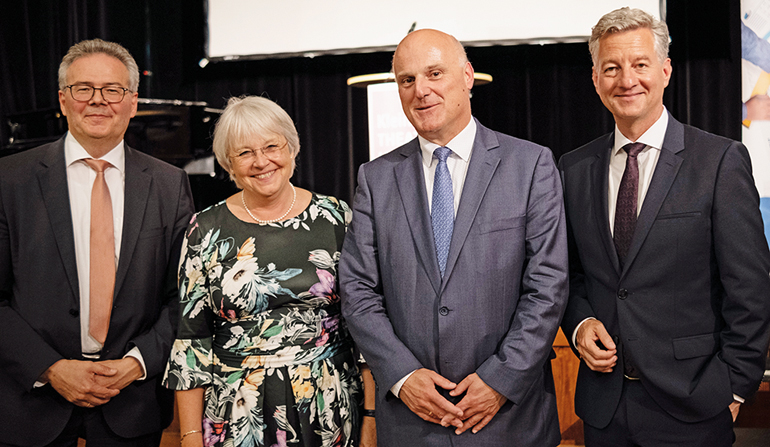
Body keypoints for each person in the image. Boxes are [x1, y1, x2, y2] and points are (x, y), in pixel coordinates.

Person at [339, 29, 568, 447]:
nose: (420, 90)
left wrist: (500, 379)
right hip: (413, 421)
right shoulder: (375, 178)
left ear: (466, 76)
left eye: (434, 73)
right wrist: (403, 377)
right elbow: (358, 291)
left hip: (509, 418)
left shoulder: (531, 165)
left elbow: (547, 287)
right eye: (407, 80)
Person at [559, 7, 770, 446]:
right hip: (604, 409)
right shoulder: (573, 168)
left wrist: (733, 387)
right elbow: (569, 274)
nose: (626, 79)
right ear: (595, 79)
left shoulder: (719, 160)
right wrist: (580, 325)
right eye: (611, 68)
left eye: (640, 64)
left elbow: (749, 286)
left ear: (666, 70)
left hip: (694, 406)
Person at [0, 39, 194, 446]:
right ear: (63, 100)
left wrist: (136, 363)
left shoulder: (169, 184)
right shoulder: (9, 180)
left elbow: (184, 296)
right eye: (83, 89)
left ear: (133, 102)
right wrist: (50, 367)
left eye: (113, 90)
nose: (98, 101)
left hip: (131, 401)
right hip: (30, 402)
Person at [163, 96, 366, 447]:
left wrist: (373, 416)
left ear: (292, 148)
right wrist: (190, 435)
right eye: (244, 153)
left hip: (329, 403)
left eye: (272, 146)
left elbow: (365, 322)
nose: (261, 162)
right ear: (229, 163)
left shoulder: (336, 216)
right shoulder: (204, 229)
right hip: (237, 411)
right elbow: (191, 338)